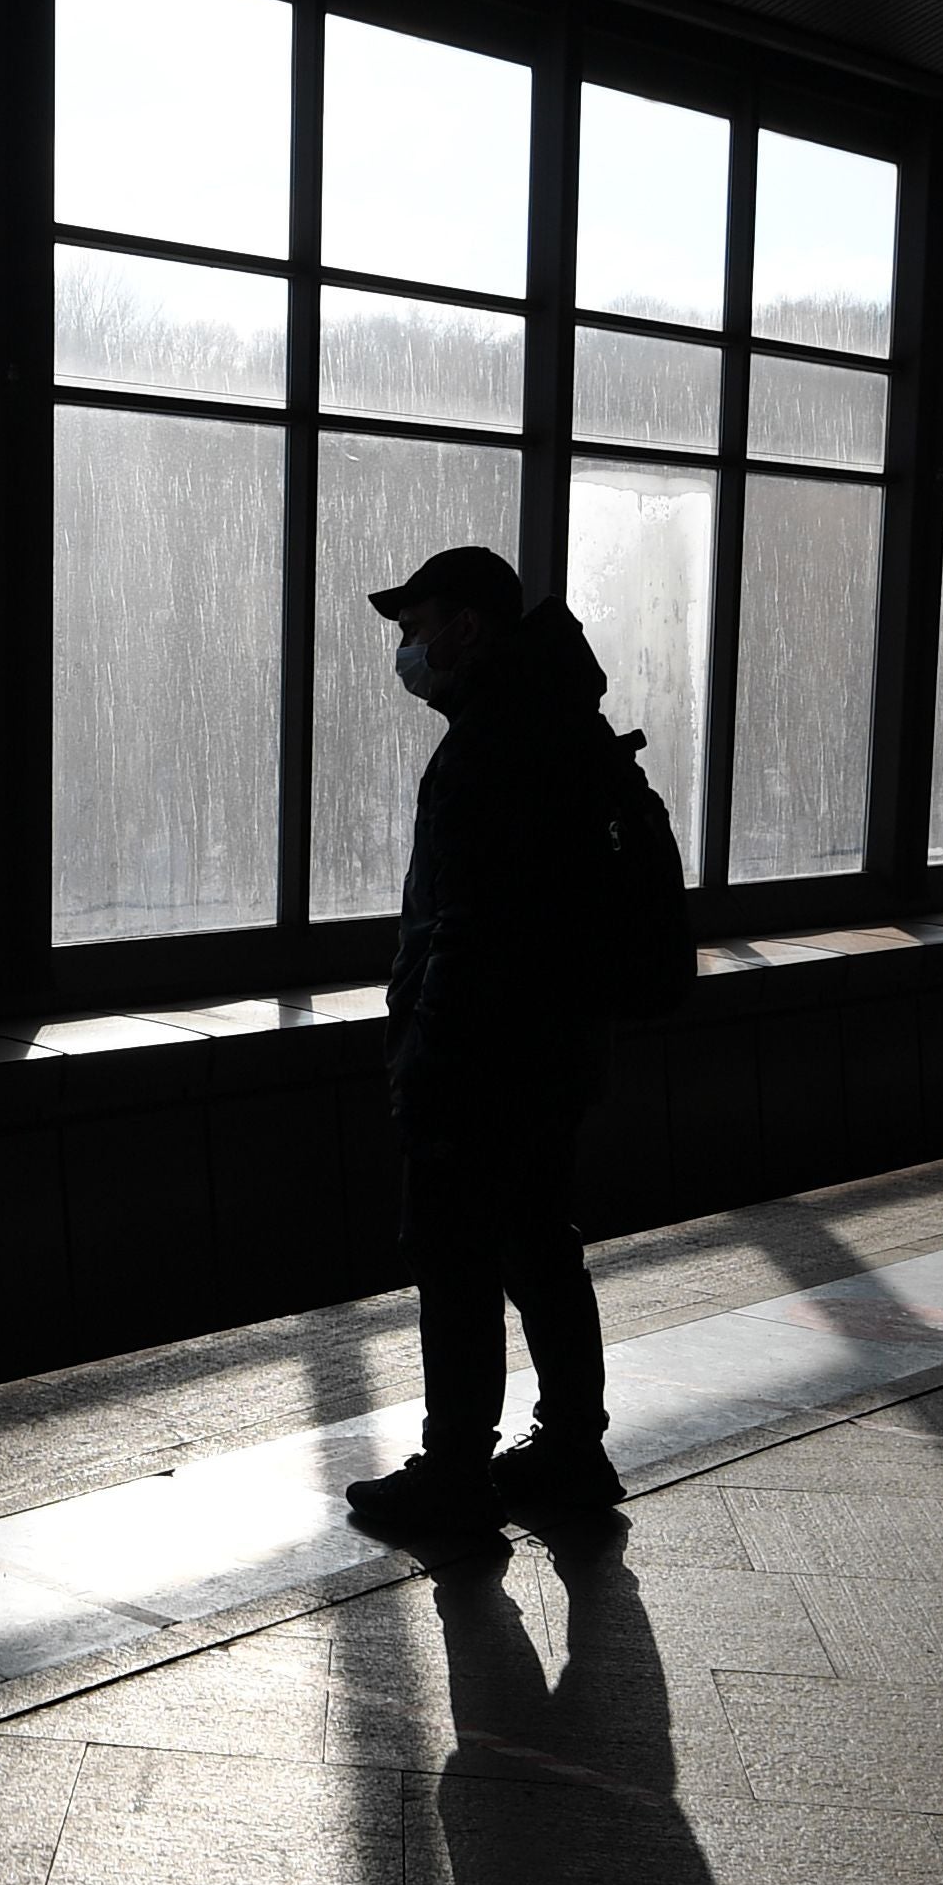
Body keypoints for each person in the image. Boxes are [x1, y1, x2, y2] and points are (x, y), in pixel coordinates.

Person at [343, 543, 622, 1541]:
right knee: (539, 1242)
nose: (406, 651)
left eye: (414, 629)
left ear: (465, 627)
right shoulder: (556, 723)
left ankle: (456, 1471)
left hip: (481, 1056)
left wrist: (425, 1057)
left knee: (455, 1256)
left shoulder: (491, 746)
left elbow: (467, 926)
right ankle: (571, 1447)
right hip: (553, 1046)